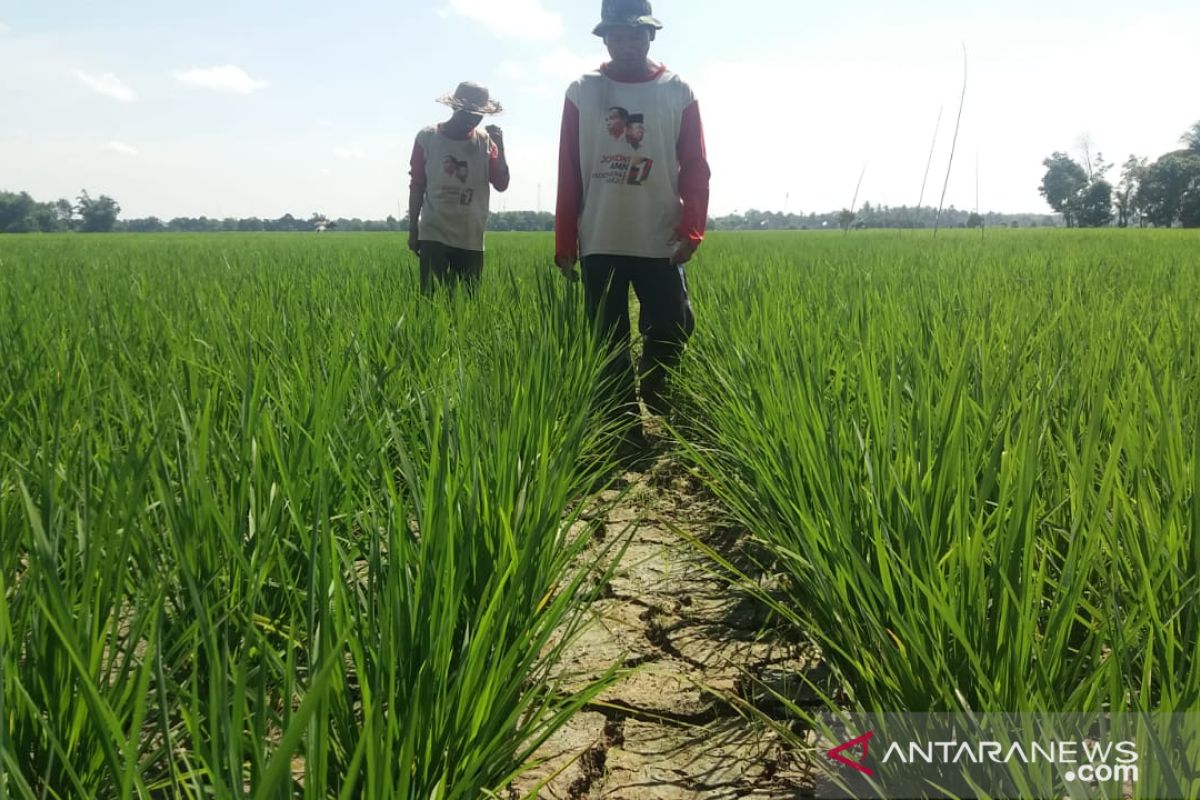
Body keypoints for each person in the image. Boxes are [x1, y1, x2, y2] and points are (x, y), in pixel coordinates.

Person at [554, 0, 711, 441]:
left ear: (651, 36)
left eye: (636, 34)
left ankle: (657, 385)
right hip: (601, 233)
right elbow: (568, 168)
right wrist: (565, 241)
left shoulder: (677, 90)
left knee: (673, 322)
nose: (627, 43)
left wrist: (692, 228)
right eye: (618, 35)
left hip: (659, 233)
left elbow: (695, 165)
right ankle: (625, 429)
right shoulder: (582, 91)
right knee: (608, 337)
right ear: (605, 37)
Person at [408, 81, 510, 293]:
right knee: (431, 299)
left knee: (467, 304)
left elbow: (501, 183)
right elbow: (417, 185)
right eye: (468, 112)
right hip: (433, 232)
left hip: (470, 235)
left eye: (478, 114)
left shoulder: (485, 142)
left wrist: (500, 147)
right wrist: (413, 229)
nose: (473, 119)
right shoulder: (427, 138)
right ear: (455, 107)